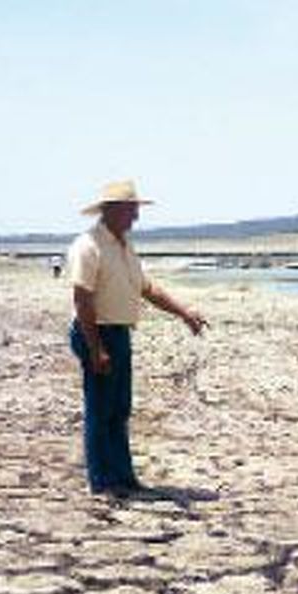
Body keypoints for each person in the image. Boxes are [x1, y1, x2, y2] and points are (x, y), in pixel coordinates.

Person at [66, 180, 207, 497]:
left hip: (118, 331)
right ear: (113, 210)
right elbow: (82, 299)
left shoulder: (124, 246)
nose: (136, 218)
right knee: (100, 407)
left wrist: (183, 312)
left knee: (119, 407)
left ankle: (123, 476)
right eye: (131, 210)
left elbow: (147, 289)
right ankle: (103, 481)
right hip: (96, 330)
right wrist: (96, 348)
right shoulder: (88, 246)